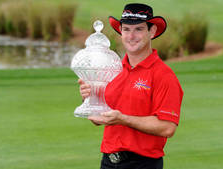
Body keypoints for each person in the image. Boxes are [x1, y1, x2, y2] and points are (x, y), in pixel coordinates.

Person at [78, 3, 183, 169]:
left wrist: (123, 119)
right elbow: (101, 119)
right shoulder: (112, 71)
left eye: (139, 29)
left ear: (152, 31)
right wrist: (91, 100)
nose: (131, 35)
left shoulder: (164, 76)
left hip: (142, 164)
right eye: (126, 29)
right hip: (108, 162)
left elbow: (167, 127)